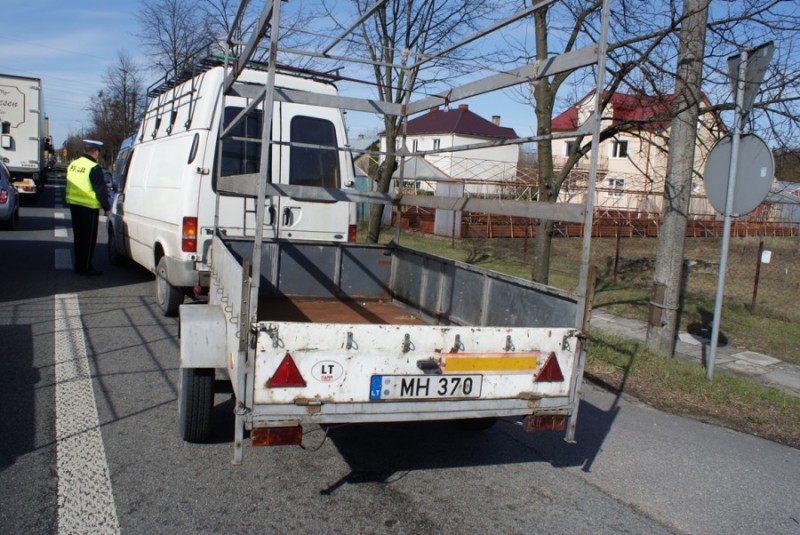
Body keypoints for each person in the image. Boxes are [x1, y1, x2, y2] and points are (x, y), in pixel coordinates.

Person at [66, 139, 112, 276]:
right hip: (88, 207)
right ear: (95, 152)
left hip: (74, 205)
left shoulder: (73, 164)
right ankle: (85, 267)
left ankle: (79, 264)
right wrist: (107, 208)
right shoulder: (94, 167)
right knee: (88, 240)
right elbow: (100, 190)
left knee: (79, 237)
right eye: (98, 152)